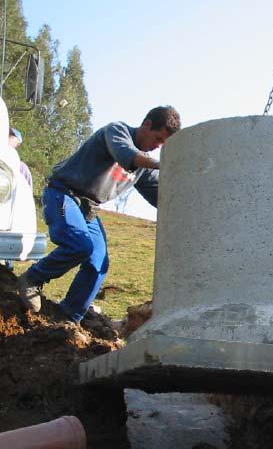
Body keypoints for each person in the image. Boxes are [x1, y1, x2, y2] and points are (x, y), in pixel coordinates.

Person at [17, 105, 181, 323]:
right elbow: (126, 155)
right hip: (64, 194)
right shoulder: (117, 131)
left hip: (90, 209)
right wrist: (165, 164)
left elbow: (161, 197)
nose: (157, 147)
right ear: (147, 124)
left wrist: (189, 205)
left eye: (163, 145)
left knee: (98, 264)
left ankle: (68, 317)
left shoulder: (144, 167)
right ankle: (32, 279)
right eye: (158, 139)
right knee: (79, 245)